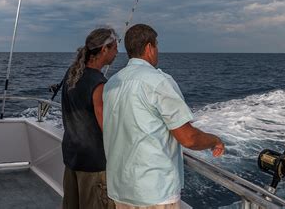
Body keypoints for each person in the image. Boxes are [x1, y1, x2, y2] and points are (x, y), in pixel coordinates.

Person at [103, 24, 225, 209]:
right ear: (149, 48)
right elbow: (189, 138)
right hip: (154, 193)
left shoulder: (111, 83)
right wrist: (215, 141)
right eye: (157, 45)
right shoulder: (159, 81)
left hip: (120, 188)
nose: (157, 50)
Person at [61, 27, 118, 209]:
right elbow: (106, 126)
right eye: (115, 48)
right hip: (93, 163)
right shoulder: (99, 83)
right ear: (104, 50)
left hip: (72, 156)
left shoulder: (72, 73)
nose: (117, 52)